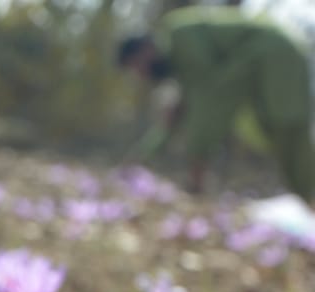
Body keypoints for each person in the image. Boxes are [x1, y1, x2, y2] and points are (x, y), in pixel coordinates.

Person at [118, 6, 314, 200]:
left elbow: (209, 101)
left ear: (145, 49)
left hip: (276, 55)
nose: (141, 75)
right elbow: (177, 116)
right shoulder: (181, 60)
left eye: (137, 66)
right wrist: (142, 156)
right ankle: (308, 198)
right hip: (261, 60)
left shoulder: (180, 36)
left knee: (289, 129)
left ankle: (310, 196)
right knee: (280, 137)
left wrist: (198, 163)